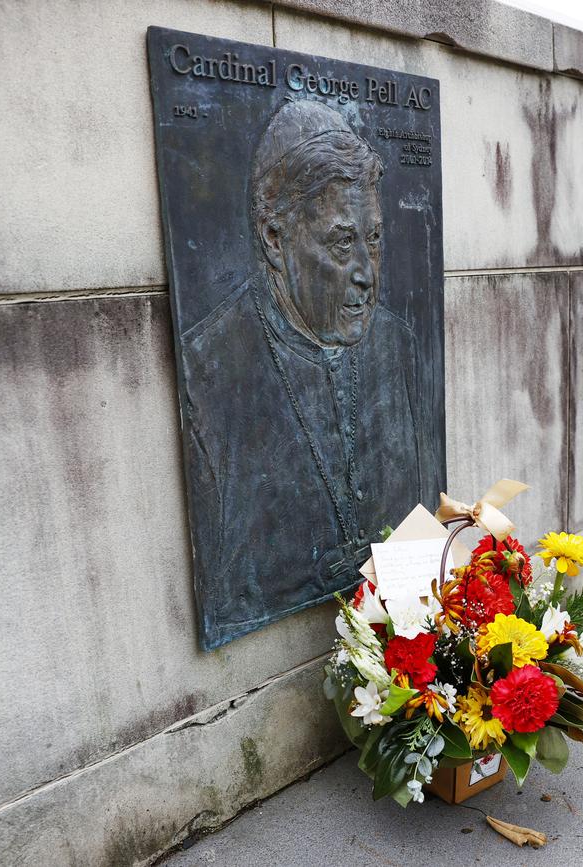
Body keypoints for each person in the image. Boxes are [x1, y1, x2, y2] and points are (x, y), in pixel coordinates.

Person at [182, 100, 436, 650]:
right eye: (343, 243)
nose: (366, 273)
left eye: (373, 239)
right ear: (275, 239)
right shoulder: (211, 367)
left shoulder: (398, 345)